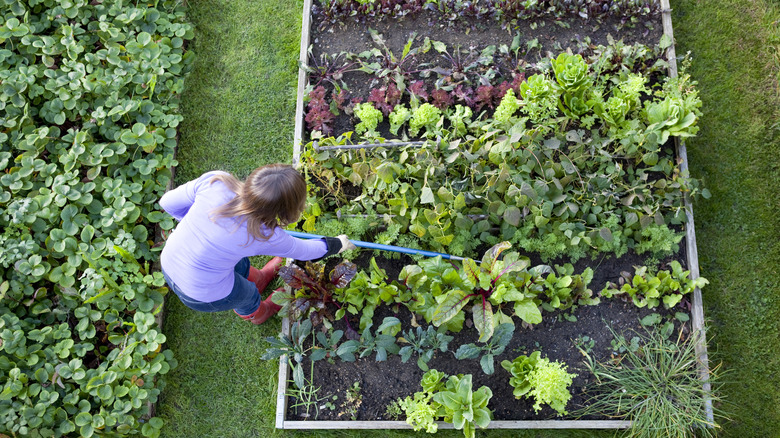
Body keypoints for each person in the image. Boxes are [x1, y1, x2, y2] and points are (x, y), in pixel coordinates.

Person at [159, 164, 356, 324]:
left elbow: (167, 202)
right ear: (286, 211)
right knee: (246, 294)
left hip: (170, 260)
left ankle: (260, 278)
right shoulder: (263, 234)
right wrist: (339, 244)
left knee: (238, 262)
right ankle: (260, 313)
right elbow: (305, 251)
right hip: (200, 292)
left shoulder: (217, 182)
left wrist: (196, 226)